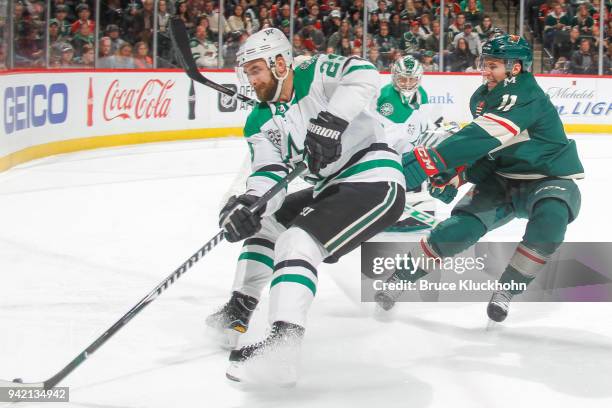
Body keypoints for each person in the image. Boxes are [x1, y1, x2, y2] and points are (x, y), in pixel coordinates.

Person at [207, 28, 405, 384]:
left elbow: (364, 74)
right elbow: (269, 174)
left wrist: (332, 120)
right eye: (247, 72)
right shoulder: (260, 121)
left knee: (296, 242)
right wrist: (250, 204)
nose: (251, 80)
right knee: (268, 223)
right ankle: (239, 309)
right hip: (331, 187)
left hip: (374, 177)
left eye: (256, 70)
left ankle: (283, 346)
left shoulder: (313, 71)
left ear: (280, 63)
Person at [374, 35, 584, 323]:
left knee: (551, 219)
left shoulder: (526, 93)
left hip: (549, 177)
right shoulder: (482, 97)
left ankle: (507, 291)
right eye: (485, 63)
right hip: (501, 178)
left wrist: (429, 159)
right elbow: (488, 149)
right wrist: (456, 178)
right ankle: (400, 277)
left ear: (516, 68)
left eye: (494, 65)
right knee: (457, 230)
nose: (485, 70)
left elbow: (480, 135)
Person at [375, 55, 440, 233]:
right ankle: (387, 207)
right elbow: (383, 135)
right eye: (403, 79)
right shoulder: (387, 97)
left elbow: (421, 123)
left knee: (419, 169)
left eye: (412, 79)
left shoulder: (422, 95)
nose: (407, 83)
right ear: (395, 77)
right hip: (386, 151)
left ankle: (415, 206)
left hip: (408, 148)